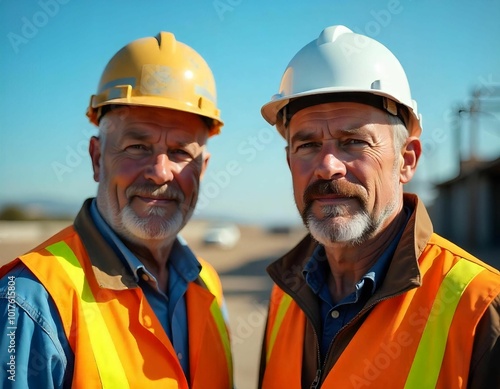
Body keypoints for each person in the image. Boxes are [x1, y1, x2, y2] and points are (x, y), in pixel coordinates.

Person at [258, 25, 500, 388]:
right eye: (306, 145)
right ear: (289, 161)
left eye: (353, 141)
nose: (327, 166)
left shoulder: (481, 306)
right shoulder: (285, 296)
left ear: (406, 160)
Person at [0, 32, 233, 388]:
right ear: (97, 158)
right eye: (137, 146)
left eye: (181, 152)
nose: (160, 171)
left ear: (203, 170)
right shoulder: (33, 300)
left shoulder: (209, 288)